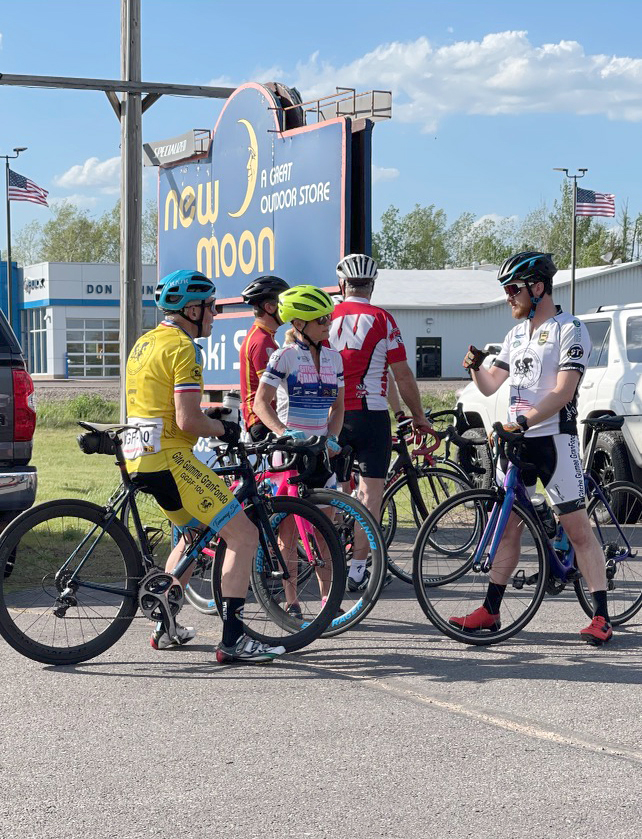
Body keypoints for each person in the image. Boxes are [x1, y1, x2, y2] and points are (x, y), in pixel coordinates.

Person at [124, 269, 285, 664]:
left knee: (192, 533)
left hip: (138, 455)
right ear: (191, 309)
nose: (214, 314)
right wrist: (223, 427)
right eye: (211, 306)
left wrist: (204, 413)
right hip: (171, 457)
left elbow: (163, 405)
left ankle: (166, 626)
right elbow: (187, 422)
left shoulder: (145, 342)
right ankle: (233, 639)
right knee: (243, 536)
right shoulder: (184, 347)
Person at [460, 251, 611, 646]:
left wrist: (525, 420)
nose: (509, 297)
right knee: (508, 526)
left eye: (513, 289)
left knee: (578, 531)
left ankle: (601, 616)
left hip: (553, 440)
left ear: (538, 288)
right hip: (517, 440)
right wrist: (475, 367)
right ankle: (491, 611)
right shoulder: (514, 335)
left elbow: (563, 391)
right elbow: (491, 385)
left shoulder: (570, 328)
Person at [329, 253, 431, 590]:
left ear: (342, 284)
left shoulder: (325, 315)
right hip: (371, 415)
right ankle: (359, 566)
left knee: (330, 488)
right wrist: (417, 417)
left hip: (332, 413)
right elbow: (400, 374)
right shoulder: (382, 318)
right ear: (371, 286)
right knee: (371, 493)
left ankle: (326, 560)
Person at [253, 284, 344, 613]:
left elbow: (339, 407)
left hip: (320, 453)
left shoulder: (334, 357)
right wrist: (283, 432)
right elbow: (260, 403)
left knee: (325, 532)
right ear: (300, 323)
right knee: (288, 535)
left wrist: (332, 437)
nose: (328, 323)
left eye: (329, 318)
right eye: (321, 319)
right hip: (290, 454)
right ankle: (291, 601)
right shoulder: (284, 356)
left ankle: (327, 601)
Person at [239, 275, 290, 441]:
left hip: (266, 420)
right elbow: (274, 389)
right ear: (269, 307)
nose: (288, 309)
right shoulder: (261, 341)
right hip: (263, 422)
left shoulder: (264, 337)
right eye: (284, 304)